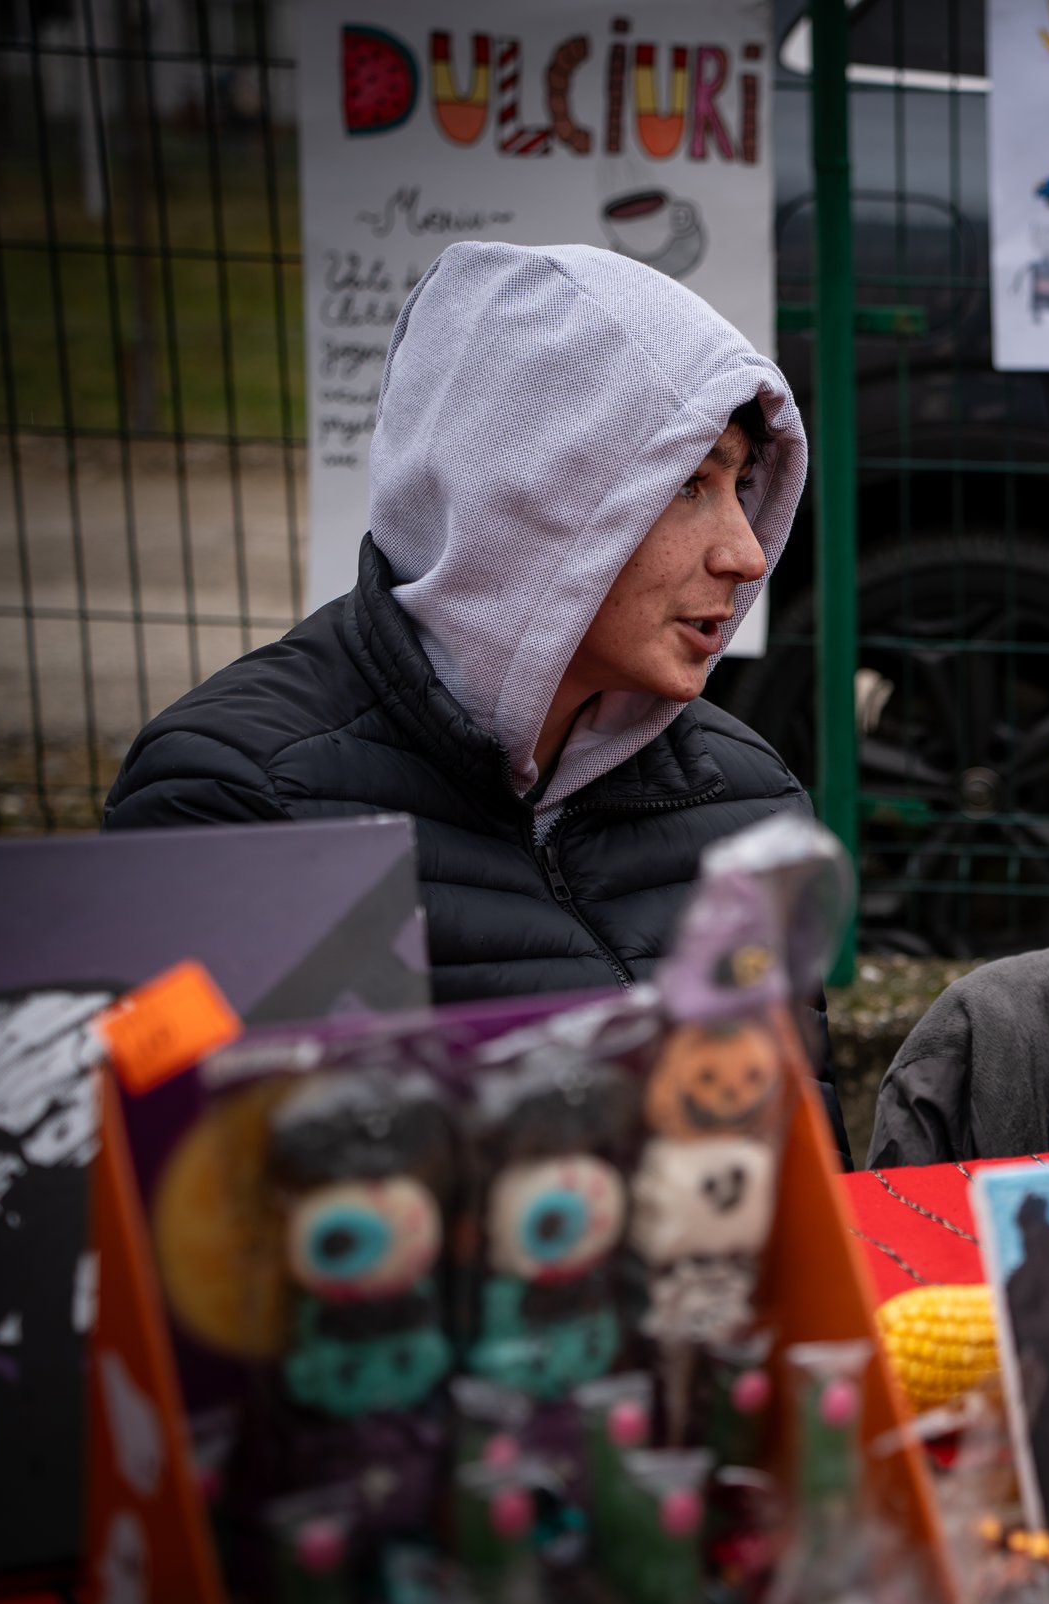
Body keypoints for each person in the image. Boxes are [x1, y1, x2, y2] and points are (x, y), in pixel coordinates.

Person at [104, 242, 845, 1151]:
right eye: (688, 483)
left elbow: (803, 1190)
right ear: (532, 494)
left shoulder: (743, 798)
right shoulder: (243, 803)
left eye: (741, 484)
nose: (746, 552)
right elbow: (208, 1240)